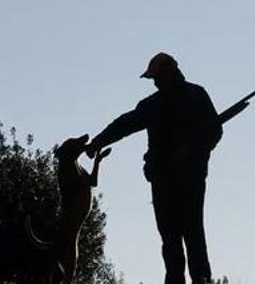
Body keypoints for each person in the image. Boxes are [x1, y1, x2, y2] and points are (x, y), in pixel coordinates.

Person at [85, 52, 238, 284]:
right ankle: (200, 279)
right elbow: (215, 131)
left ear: (164, 76)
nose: (154, 83)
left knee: (175, 238)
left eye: (155, 78)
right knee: (191, 233)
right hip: (183, 178)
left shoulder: (158, 104)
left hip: (171, 179)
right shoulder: (195, 95)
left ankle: (191, 279)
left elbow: (125, 124)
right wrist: (198, 154)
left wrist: (191, 152)